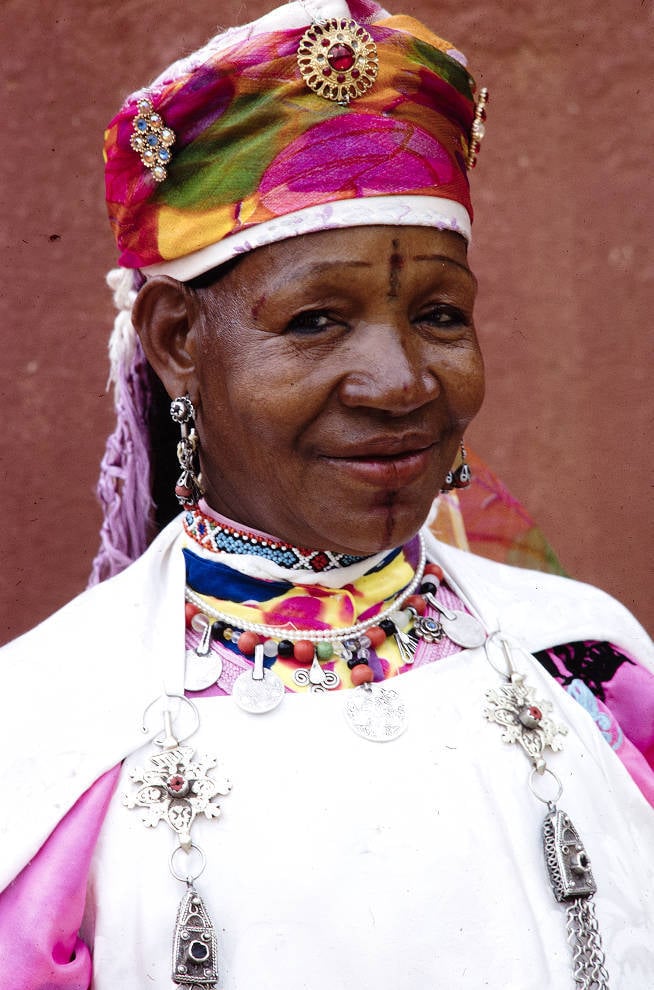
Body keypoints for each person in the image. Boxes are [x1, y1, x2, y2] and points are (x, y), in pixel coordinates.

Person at [1, 1, 652, 988]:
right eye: (314, 321)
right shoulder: (50, 738)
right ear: (179, 341)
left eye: (440, 313)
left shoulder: (590, 669)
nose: (398, 383)